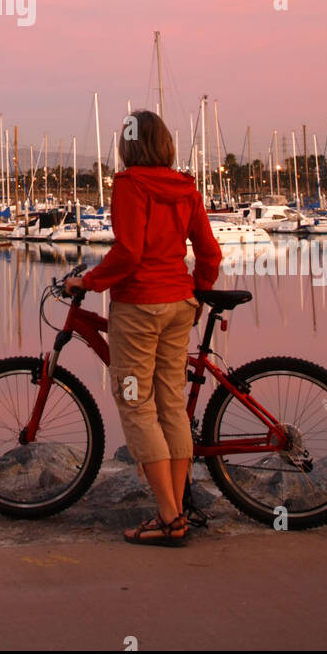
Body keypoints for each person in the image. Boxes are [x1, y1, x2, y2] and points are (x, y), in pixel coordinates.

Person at [65, 110, 222, 545]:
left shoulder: (130, 185)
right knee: (171, 404)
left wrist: (88, 280)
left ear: (129, 145)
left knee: (136, 402)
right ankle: (176, 511)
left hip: (140, 308)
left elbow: (129, 253)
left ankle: (170, 518)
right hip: (178, 305)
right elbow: (210, 252)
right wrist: (198, 294)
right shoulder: (186, 186)